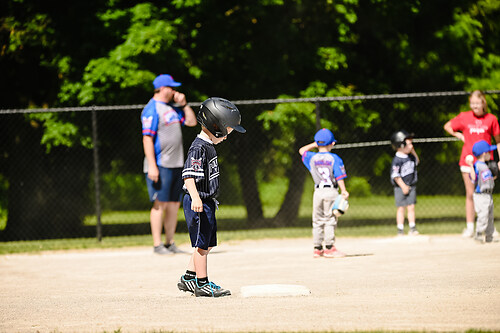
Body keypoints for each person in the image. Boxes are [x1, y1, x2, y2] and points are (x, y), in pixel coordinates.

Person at [177, 97, 246, 297]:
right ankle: (202, 283)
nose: (227, 136)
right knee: (201, 245)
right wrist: (197, 198)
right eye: (228, 131)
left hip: (206, 202)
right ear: (217, 127)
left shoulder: (207, 146)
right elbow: (188, 175)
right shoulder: (199, 147)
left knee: (205, 244)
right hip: (198, 202)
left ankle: (189, 278)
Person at [141, 74, 197, 254]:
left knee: (173, 204)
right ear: (163, 89)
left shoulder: (172, 108)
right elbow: (147, 139)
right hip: (160, 164)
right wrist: (152, 166)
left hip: (176, 164)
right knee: (160, 203)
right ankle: (157, 245)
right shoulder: (152, 109)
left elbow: (191, 122)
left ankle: (169, 242)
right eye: (171, 88)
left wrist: (184, 104)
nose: (174, 91)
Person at [444, 90, 500, 238]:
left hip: (486, 162)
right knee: (470, 193)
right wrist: (458, 135)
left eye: (478, 102)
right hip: (468, 161)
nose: (475, 105)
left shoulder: (491, 119)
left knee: (486, 194)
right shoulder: (464, 117)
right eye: (472, 103)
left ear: (483, 103)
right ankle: (470, 227)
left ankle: (489, 228)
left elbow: (498, 141)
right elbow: (448, 126)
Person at [299, 128, 349, 258]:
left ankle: (317, 248)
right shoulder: (335, 158)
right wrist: (344, 191)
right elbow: (339, 177)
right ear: (332, 143)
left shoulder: (312, 157)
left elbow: (301, 151)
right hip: (331, 191)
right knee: (329, 219)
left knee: (317, 220)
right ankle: (329, 248)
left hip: (318, 192)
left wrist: (315, 144)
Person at [390, 130, 420, 236]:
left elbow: (417, 161)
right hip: (400, 187)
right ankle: (400, 229)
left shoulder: (410, 156)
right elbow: (395, 175)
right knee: (401, 208)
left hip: (411, 185)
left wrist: (412, 151)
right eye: (409, 144)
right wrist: (403, 186)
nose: (411, 146)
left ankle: (412, 227)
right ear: (400, 145)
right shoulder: (397, 159)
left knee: (411, 207)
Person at [466, 140, 497, 243]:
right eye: (489, 152)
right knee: (483, 215)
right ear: (484, 153)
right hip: (481, 195)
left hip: (489, 195)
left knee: (490, 216)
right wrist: (470, 165)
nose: (490, 154)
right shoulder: (477, 165)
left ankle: (489, 236)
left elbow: (490, 178)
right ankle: (479, 234)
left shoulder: (487, 166)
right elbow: (473, 178)